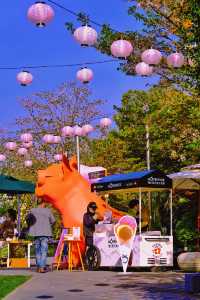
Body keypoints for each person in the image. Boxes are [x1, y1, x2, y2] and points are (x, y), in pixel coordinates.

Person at [27, 199, 55, 273]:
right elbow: (53, 221)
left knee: (37, 251)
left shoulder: (32, 210)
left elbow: (28, 220)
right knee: (44, 251)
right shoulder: (47, 211)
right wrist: (48, 225)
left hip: (36, 233)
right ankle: (42, 267)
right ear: (43, 203)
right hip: (45, 233)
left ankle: (39, 266)